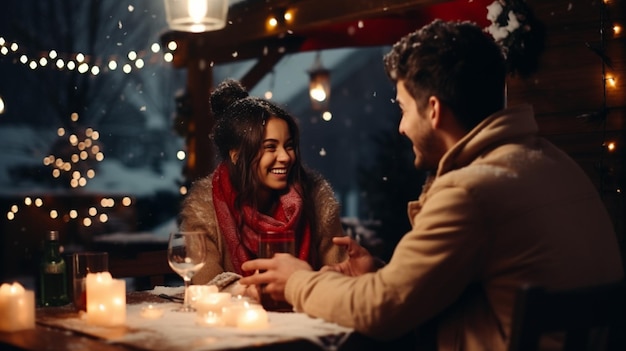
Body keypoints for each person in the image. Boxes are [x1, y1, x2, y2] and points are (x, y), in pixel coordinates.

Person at [239, 19, 624, 350]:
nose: (402, 126)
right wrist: (381, 275)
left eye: (404, 109)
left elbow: (382, 311)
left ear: (435, 110)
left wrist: (297, 281)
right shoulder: (554, 163)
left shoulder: (470, 191)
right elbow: (436, 288)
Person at [178, 79, 346, 287]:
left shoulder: (317, 200)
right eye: (270, 147)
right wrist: (244, 293)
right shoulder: (205, 207)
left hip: (305, 315)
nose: (285, 157)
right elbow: (206, 286)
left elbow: (339, 282)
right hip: (235, 317)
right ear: (237, 155)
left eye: (289, 146)